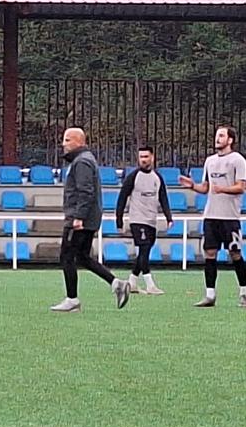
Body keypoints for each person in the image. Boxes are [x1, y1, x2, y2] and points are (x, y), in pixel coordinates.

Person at [50, 127, 130, 313]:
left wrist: (78, 217)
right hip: (89, 218)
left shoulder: (82, 162)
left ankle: (72, 300)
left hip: (80, 219)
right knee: (83, 257)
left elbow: (85, 191)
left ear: (79, 141)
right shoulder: (84, 160)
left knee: (67, 256)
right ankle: (116, 283)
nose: (64, 144)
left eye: (67, 140)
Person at [179, 125, 246, 308]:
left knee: (235, 253)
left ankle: (244, 293)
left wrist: (222, 189)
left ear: (230, 140)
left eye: (221, 136)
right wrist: (192, 186)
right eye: (216, 135)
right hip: (211, 216)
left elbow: (241, 187)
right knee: (209, 253)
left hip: (230, 217)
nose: (217, 139)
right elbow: (206, 187)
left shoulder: (238, 160)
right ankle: (210, 295)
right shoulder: (210, 161)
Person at [115, 145, 173, 295]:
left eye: (146, 157)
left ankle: (132, 281)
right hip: (137, 219)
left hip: (151, 220)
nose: (143, 160)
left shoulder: (157, 178)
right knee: (145, 248)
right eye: (141, 157)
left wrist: (169, 217)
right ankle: (150, 284)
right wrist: (119, 221)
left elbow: (163, 198)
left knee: (144, 251)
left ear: (152, 157)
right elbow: (122, 198)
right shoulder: (133, 177)